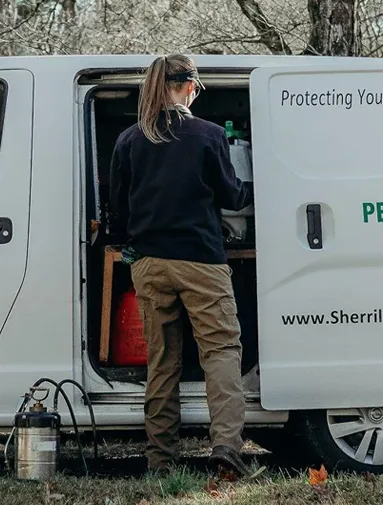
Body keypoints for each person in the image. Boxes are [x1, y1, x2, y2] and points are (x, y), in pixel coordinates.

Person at [107, 54, 254, 475]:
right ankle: (226, 445)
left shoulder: (129, 140)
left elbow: (117, 210)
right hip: (200, 260)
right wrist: (257, 185)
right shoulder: (208, 135)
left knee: (163, 359)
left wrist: (128, 242)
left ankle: (160, 460)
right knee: (221, 350)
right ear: (190, 86)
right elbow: (231, 196)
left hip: (150, 264)